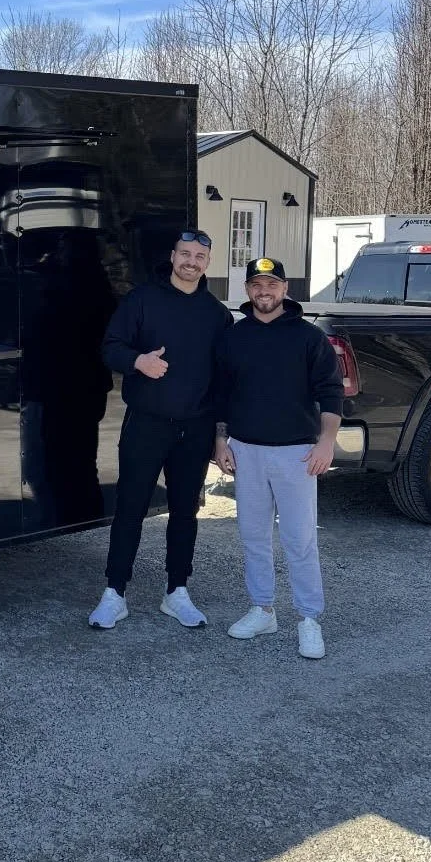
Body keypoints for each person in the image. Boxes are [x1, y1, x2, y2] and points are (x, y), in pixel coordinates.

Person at [88, 229, 232, 630]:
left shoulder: (216, 314)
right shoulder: (141, 301)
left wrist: (221, 435)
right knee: (130, 508)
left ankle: (177, 592)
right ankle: (115, 593)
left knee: (185, 512)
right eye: (185, 253)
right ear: (172, 256)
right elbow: (110, 347)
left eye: (199, 256)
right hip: (146, 424)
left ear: (207, 262)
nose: (191, 262)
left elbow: (224, 382)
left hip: (196, 428)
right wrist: (138, 362)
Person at [213, 256, 344, 659]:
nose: (264, 292)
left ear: (286, 289)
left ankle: (308, 619)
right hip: (246, 451)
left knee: (299, 540)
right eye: (256, 285)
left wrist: (326, 443)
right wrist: (220, 441)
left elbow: (331, 392)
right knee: (253, 536)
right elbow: (220, 393)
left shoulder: (309, 338)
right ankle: (262, 609)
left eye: (272, 284)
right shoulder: (234, 337)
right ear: (248, 290)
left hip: (296, 454)